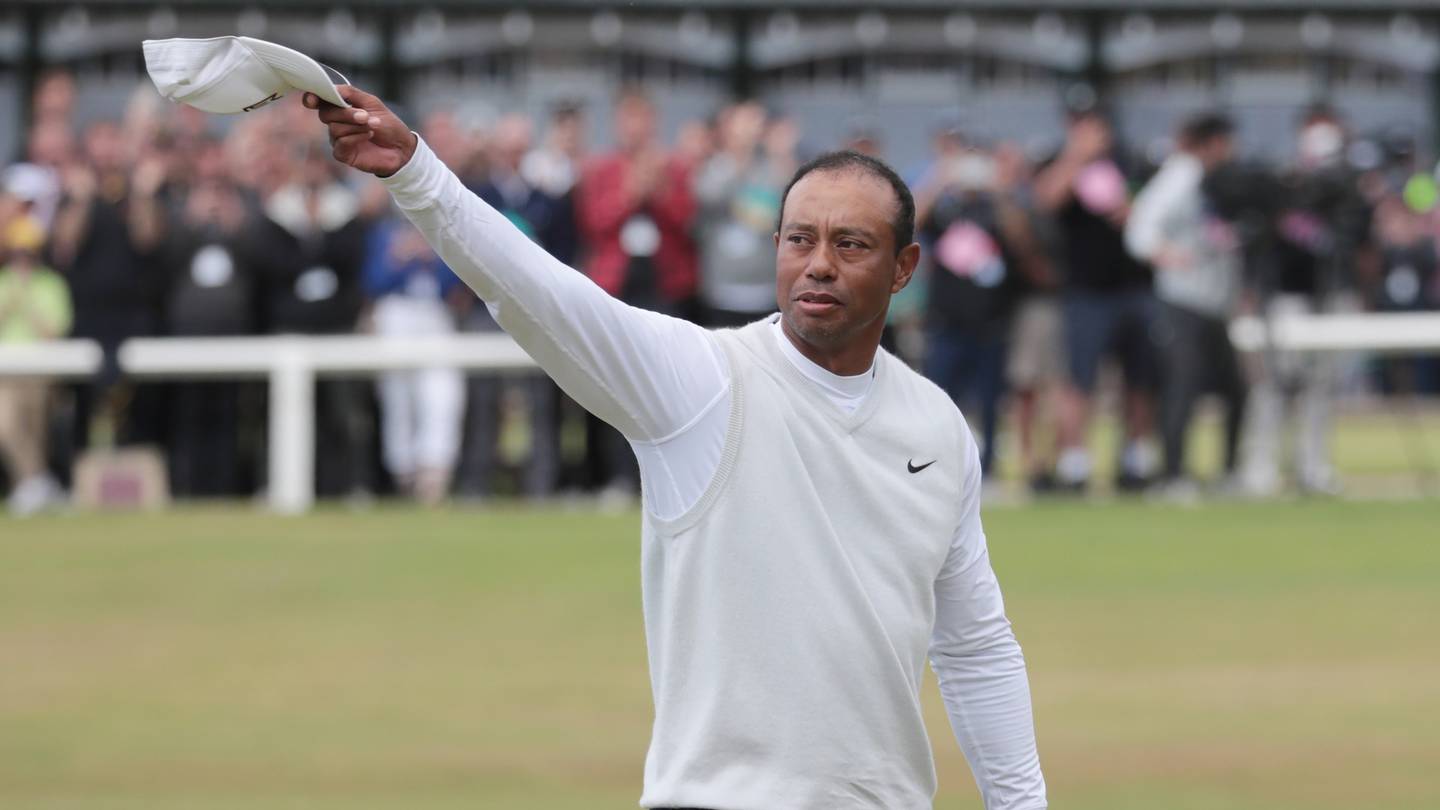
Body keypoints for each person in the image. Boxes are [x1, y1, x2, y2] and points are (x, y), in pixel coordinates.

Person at [306, 84, 1045, 809]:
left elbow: (975, 648)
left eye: (851, 244)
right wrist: (416, 172)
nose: (818, 263)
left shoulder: (937, 426)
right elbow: (540, 293)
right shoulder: (703, 381)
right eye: (799, 239)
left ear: (904, 268)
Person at [1033, 108, 1159, 493]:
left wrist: (1133, 208)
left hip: (1136, 287)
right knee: (1078, 380)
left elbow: (1155, 205)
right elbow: (1045, 201)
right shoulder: (1059, 161)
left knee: (1139, 380)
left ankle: (1135, 459)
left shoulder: (1132, 160)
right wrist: (1077, 157)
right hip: (1086, 291)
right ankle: (1075, 464)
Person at [1125, 112, 1248, 494]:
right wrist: (1170, 256)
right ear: (1212, 143)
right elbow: (1140, 229)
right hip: (1183, 300)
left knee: (1235, 388)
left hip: (1214, 302)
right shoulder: (1182, 174)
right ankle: (1174, 474)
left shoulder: (1221, 180)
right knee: (1183, 384)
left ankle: (1228, 471)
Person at [0, 216, 72, 515]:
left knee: (35, 432)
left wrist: (28, 303)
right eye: (18, 253)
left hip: (40, 371)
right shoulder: (3, 283)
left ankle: (33, 486)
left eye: (28, 253)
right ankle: (36, 482)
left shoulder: (51, 284)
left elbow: (54, 332)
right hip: (5, 371)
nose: (23, 260)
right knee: (6, 426)